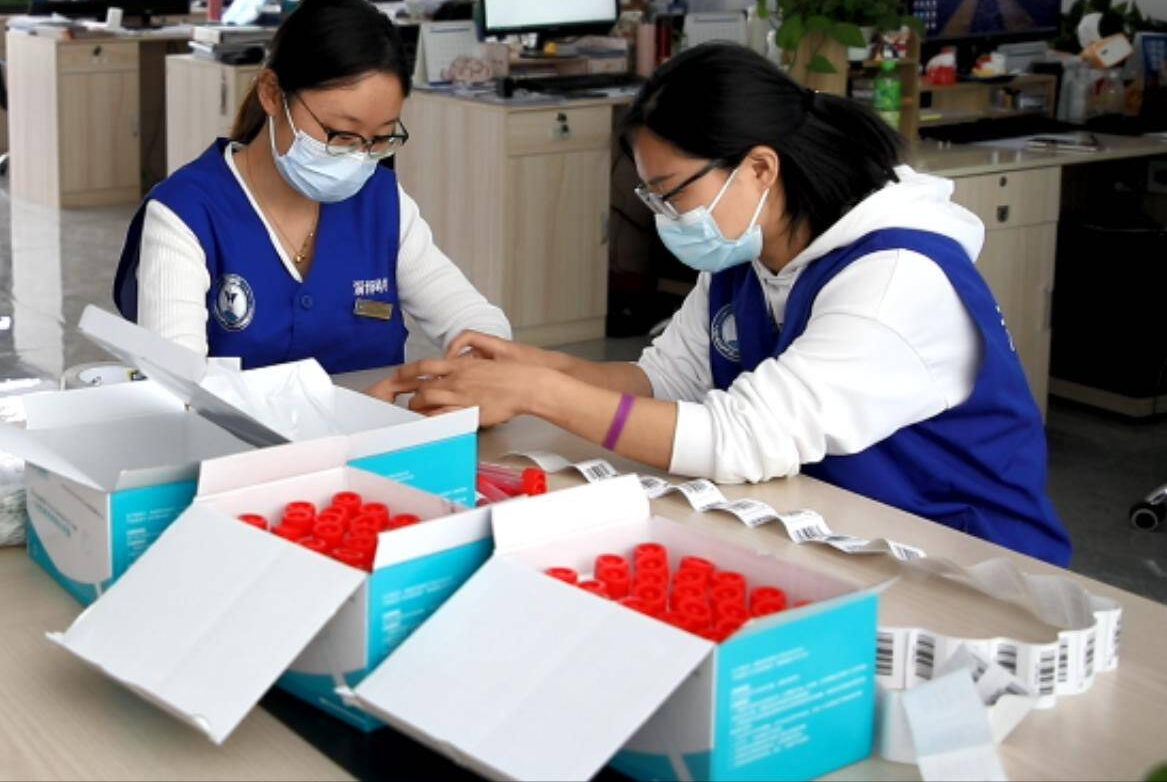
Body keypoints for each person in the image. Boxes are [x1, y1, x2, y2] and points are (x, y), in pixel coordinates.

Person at [387, 43, 1071, 564]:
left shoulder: (895, 279)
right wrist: (532, 367)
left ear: (760, 167)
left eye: (672, 192)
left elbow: (739, 437)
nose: (664, 216)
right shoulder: (750, 252)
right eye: (652, 197)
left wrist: (541, 393)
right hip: (840, 533)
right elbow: (666, 381)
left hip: (963, 563)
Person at [113, 0, 509, 372]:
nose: (358, 156)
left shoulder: (381, 204)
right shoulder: (186, 213)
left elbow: (475, 320)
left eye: (379, 138)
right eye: (342, 134)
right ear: (272, 94)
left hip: (376, 421)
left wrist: (478, 366)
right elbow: (177, 385)